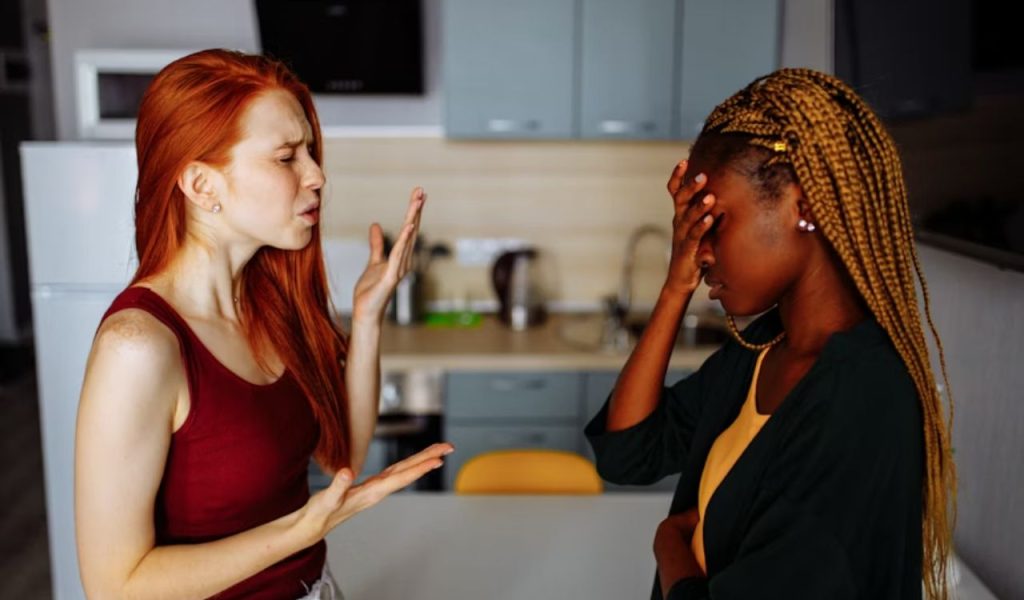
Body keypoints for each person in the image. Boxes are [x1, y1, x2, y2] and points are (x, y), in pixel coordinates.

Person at [74, 49, 452, 599]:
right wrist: (302, 530)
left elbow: (341, 456)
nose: (317, 175)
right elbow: (114, 587)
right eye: (286, 158)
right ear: (202, 187)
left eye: (311, 153)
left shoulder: (269, 309)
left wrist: (368, 318)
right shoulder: (139, 347)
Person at [585, 68, 956, 600]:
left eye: (716, 222)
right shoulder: (764, 348)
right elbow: (628, 453)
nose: (701, 248)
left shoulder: (862, 397)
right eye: (694, 227)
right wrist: (674, 288)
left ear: (801, 206)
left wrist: (669, 541)